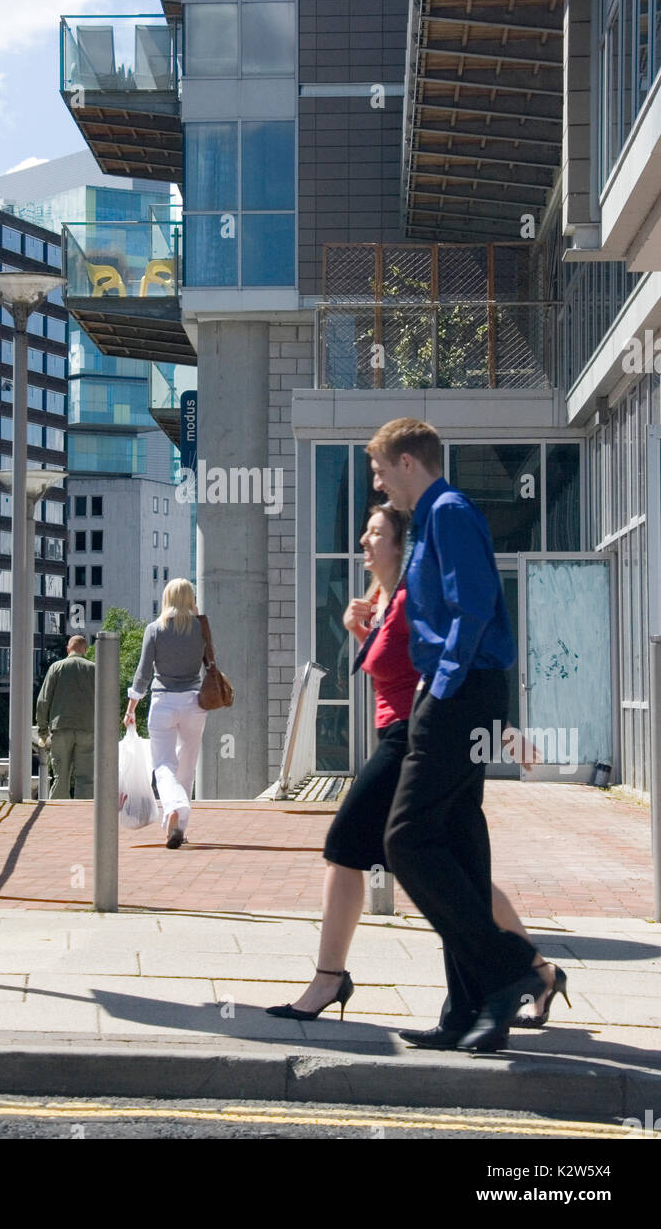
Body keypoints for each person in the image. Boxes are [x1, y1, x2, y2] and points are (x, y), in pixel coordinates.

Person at [267, 504, 567, 1030]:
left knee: (345, 845)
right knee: (458, 871)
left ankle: (329, 977)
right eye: (365, 530)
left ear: (401, 544)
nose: (364, 539)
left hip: (420, 739)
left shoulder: (412, 598)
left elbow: (461, 660)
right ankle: (536, 970)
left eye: (376, 532)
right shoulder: (382, 601)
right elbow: (390, 672)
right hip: (403, 733)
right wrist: (356, 630)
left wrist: (502, 728)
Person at [370, 417, 567, 1053]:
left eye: (379, 470)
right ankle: (470, 1011)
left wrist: (439, 688)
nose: (378, 484)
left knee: (404, 840)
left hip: (460, 694)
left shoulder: (447, 510)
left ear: (407, 462)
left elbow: (474, 605)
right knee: (456, 846)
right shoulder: (436, 516)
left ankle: (506, 970)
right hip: (471, 691)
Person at [124, 578, 208, 849]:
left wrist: (131, 709)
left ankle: (174, 805)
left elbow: (143, 673)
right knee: (187, 764)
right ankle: (179, 828)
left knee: (163, 764)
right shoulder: (201, 628)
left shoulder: (155, 629)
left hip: (163, 702)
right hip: (195, 703)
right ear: (190, 599)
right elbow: (209, 662)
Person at [35, 635, 96, 800]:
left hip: (61, 728)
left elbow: (43, 700)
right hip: (88, 729)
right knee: (86, 779)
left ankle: (57, 814)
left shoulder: (56, 667)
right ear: (85, 649)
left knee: (60, 777)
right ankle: (84, 816)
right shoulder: (95, 669)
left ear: (68, 649)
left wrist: (42, 730)